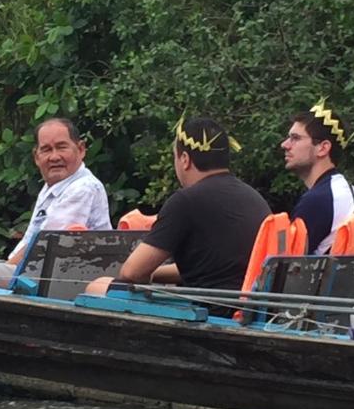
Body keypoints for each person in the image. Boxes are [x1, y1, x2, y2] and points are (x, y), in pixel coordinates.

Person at [87, 117, 270, 294]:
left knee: (98, 286)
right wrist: (154, 273)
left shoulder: (186, 201)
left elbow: (131, 273)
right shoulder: (253, 197)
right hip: (247, 306)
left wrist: (144, 271)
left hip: (211, 309)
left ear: (184, 159)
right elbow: (209, 268)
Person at [0, 118, 111, 288]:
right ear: (36, 157)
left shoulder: (83, 187)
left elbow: (43, 247)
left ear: (80, 149)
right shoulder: (54, 186)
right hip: (35, 274)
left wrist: (6, 268)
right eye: (46, 149)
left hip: (54, 283)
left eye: (61, 147)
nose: (54, 157)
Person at [281, 98, 354, 255]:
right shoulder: (342, 191)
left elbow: (285, 265)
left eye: (295, 138)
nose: (285, 145)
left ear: (323, 148)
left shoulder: (320, 199)